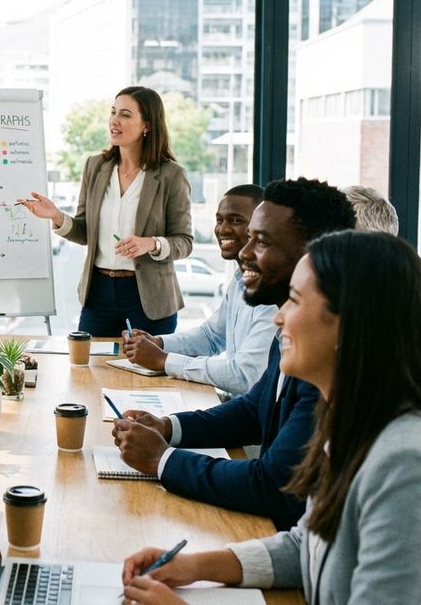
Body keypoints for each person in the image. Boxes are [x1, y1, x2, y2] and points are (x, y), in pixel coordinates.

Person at [120, 230, 421, 605]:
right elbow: (307, 545)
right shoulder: (348, 424)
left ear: (349, 323)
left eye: (294, 302)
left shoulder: (402, 463)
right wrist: (194, 566)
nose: (278, 319)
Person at [111, 178, 356, 531]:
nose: (243, 252)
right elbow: (252, 410)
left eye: (262, 241)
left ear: (312, 255)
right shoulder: (288, 328)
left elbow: (274, 485)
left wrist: (163, 460)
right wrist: (169, 427)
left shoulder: (325, 358)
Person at [19, 86, 192, 336]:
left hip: (149, 299)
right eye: (113, 112)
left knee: (145, 374)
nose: (114, 120)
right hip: (98, 293)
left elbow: (184, 242)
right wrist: (56, 216)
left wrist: (150, 244)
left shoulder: (171, 175)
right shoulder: (96, 167)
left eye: (125, 114)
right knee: (88, 370)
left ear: (147, 125)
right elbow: (84, 232)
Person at [122, 185, 275, 396]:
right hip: (234, 406)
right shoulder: (239, 280)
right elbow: (211, 336)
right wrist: (158, 343)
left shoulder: (271, 295)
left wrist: (163, 360)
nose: (222, 229)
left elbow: (243, 376)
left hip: (248, 417)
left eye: (236, 220)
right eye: (219, 220)